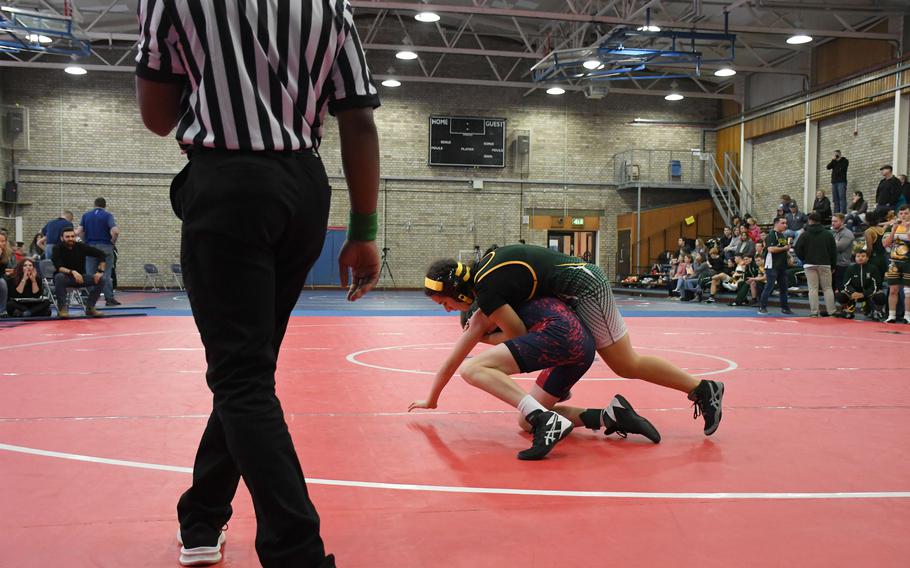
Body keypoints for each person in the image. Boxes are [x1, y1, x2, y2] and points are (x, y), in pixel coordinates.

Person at [136, 1, 381, 565]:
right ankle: (202, 515)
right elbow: (360, 119)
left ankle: (296, 552)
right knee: (248, 372)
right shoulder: (331, 6)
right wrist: (364, 228)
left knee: (241, 378)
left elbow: (157, 116)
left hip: (228, 184)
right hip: (304, 191)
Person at [422, 245, 725, 437]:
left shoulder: (487, 291)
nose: (447, 309)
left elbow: (518, 336)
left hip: (585, 289)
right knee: (533, 412)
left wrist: (488, 339)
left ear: (459, 292)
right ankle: (608, 415)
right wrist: (432, 398)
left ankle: (701, 388)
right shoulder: (486, 273)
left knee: (625, 363)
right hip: (575, 291)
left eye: (444, 302)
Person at [409, 296, 661, 460]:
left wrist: (431, 399)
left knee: (476, 368)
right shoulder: (517, 309)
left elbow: (456, 362)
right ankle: (611, 415)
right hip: (576, 346)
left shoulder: (499, 314)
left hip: (566, 343)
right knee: (527, 422)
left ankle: (547, 419)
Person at [51, 227, 108, 318]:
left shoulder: (81, 246)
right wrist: (73, 272)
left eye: (72, 236)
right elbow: (59, 267)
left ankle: (90, 307)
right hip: (65, 278)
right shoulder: (57, 248)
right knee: (59, 277)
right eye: (67, 237)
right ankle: (62, 309)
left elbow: (102, 254)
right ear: (62, 238)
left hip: (81, 278)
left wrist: (100, 272)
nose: (70, 239)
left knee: (102, 279)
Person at [78, 198, 120, 306]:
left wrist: (85, 242)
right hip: (105, 246)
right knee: (105, 274)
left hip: (90, 247)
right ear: (104, 206)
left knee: (90, 274)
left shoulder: (86, 215)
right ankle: (109, 299)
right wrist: (112, 242)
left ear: (94, 204)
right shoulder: (107, 215)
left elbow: (79, 231)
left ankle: (91, 299)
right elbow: (115, 231)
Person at [794, 213, 837, 318]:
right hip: (825, 263)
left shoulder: (805, 234)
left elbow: (797, 248)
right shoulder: (828, 234)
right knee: (827, 288)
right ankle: (831, 311)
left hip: (809, 264)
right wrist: (833, 265)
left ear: (810, 221)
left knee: (813, 288)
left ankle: (814, 311)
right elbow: (833, 251)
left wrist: (804, 258)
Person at [835, 249, 885, 320]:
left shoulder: (873, 268)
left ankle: (877, 311)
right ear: (855, 258)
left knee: (880, 296)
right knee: (840, 295)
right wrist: (853, 292)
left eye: (863, 256)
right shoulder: (850, 268)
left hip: (869, 293)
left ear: (867, 258)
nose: (860, 258)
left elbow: (876, 285)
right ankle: (848, 310)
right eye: (858, 256)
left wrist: (864, 294)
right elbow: (846, 284)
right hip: (854, 294)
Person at [758, 216, 794, 315]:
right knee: (769, 286)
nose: (785, 225)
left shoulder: (781, 235)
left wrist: (789, 256)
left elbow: (784, 248)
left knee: (784, 287)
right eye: (782, 223)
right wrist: (785, 248)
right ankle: (762, 307)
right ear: (776, 223)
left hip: (781, 265)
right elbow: (771, 249)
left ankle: (785, 308)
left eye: (786, 223)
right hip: (772, 265)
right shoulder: (771, 235)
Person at [882, 205, 910, 323]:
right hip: (894, 262)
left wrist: (908, 229)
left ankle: (907, 316)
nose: (903, 216)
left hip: (908, 262)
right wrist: (893, 230)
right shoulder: (891, 227)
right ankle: (891, 315)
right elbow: (885, 244)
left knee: (908, 291)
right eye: (901, 213)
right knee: (893, 289)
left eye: (906, 213)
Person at [831, 213, 854, 291]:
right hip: (832, 264)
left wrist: (830, 244)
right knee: (831, 288)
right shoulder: (831, 232)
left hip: (842, 264)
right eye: (832, 221)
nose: (833, 223)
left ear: (842, 222)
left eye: (835, 221)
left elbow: (838, 247)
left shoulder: (847, 233)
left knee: (841, 289)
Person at [0, 232, 17, 317]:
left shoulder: (6, 253)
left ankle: (5, 309)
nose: (1, 243)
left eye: (3, 241)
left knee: (10, 280)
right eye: (0, 241)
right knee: (2, 282)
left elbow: (2, 270)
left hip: (2, 276)